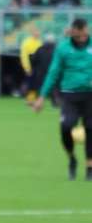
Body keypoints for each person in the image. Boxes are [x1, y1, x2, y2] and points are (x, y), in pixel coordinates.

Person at [33, 18, 92, 180]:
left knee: (90, 129)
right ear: (72, 32)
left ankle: (89, 166)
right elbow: (53, 73)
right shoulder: (63, 48)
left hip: (90, 95)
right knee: (66, 127)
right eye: (78, 36)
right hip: (70, 95)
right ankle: (72, 158)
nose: (82, 38)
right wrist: (41, 97)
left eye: (84, 35)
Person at [20, 27, 42, 105]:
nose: (38, 33)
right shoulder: (26, 42)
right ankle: (26, 97)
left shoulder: (39, 42)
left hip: (37, 65)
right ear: (32, 33)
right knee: (30, 82)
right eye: (36, 32)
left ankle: (32, 99)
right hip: (30, 64)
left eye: (38, 32)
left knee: (35, 82)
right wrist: (27, 68)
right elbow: (24, 56)